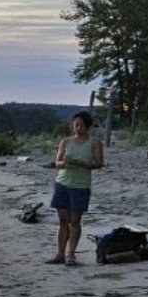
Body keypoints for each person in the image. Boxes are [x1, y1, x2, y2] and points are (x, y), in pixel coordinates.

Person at [48, 111, 103, 266]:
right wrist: (64, 163)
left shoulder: (94, 143)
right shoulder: (66, 142)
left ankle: (71, 254)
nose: (77, 128)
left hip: (80, 185)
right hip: (63, 182)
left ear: (87, 126)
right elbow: (57, 162)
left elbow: (99, 163)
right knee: (63, 220)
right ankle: (60, 254)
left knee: (75, 220)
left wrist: (80, 163)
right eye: (75, 125)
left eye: (80, 125)